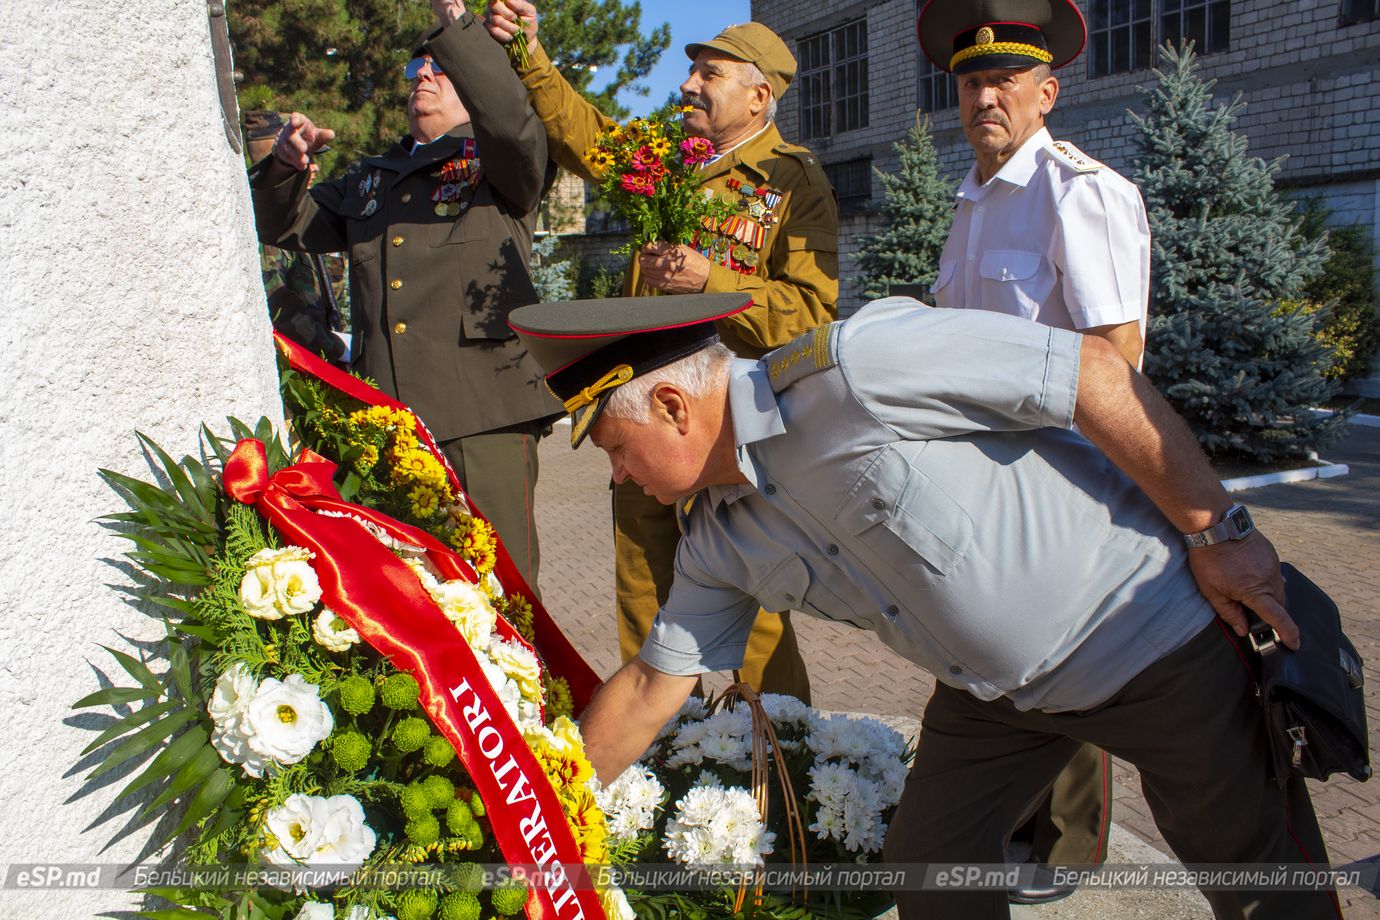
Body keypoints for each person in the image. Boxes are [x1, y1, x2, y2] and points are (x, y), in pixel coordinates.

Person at [508, 292, 1340, 920]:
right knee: (930, 863)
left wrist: (1218, 530)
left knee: (1261, 882)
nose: (618, 475)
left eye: (616, 448)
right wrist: (532, 816)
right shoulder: (719, 539)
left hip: (1147, 638)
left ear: (671, 406)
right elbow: (653, 688)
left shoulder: (857, 369)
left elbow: (1091, 374)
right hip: (999, 698)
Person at [486, 2, 840, 701]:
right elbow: (586, 136)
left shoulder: (793, 183)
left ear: (758, 95)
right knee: (643, 589)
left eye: (709, 74)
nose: (688, 87)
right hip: (642, 415)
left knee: (756, 607)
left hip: (728, 435)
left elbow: (810, 313)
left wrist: (715, 280)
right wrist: (530, 53)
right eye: (690, 72)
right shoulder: (665, 160)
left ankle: (784, 757)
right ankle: (661, 753)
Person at [917, 0, 1153, 897]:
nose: (986, 96)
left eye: (1006, 81)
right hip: (980, 475)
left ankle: (1066, 846)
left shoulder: (1080, 192)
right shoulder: (972, 201)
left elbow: (1115, 358)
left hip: (1062, 472)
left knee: (1065, 660)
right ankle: (1010, 822)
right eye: (973, 81)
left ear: (1046, 92)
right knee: (995, 652)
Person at [249, 1, 561, 590]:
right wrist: (287, 167)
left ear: (471, 77)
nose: (422, 74)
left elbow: (512, 121)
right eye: (418, 64)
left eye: (439, 66)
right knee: (409, 593)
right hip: (389, 417)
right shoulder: (375, 175)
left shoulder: (499, 162)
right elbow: (288, 226)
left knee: (503, 588)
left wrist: (458, 29)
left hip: (481, 415)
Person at [243, 110, 346, 365]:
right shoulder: (263, 231)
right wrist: (339, 349)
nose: (314, 167)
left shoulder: (300, 217)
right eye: (305, 159)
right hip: (298, 371)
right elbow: (279, 311)